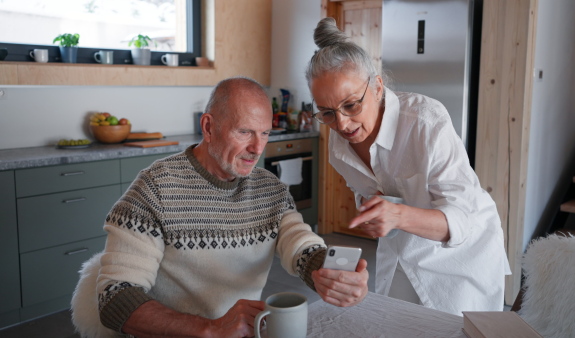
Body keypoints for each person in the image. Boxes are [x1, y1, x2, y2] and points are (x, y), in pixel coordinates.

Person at [71, 76, 369, 338]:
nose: (257, 148)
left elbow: (299, 242)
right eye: (244, 132)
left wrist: (327, 272)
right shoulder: (155, 189)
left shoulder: (270, 189)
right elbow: (114, 298)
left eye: (265, 133)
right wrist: (211, 329)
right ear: (209, 126)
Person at [305, 17, 510, 316]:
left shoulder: (426, 123)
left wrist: (396, 214)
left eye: (351, 105)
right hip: (401, 255)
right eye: (326, 112)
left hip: (459, 262)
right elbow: (365, 191)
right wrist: (371, 209)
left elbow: (462, 221)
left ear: (377, 86)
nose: (342, 124)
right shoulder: (339, 146)